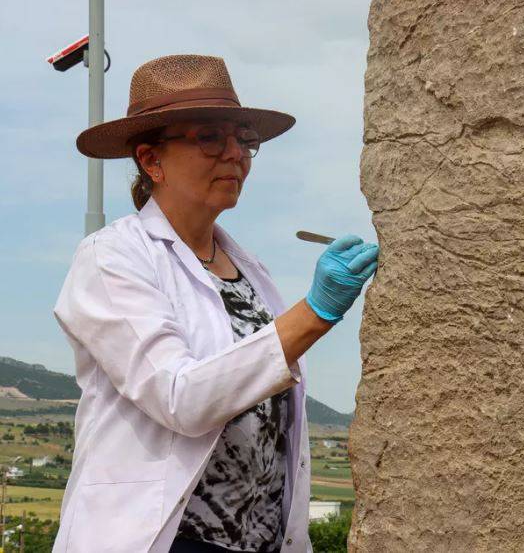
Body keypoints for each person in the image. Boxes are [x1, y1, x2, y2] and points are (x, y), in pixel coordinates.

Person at [50, 54, 378, 553]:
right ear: (150, 159)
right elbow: (180, 398)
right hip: (170, 539)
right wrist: (315, 313)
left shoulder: (249, 271)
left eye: (243, 139)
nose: (235, 155)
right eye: (209, 137)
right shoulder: (111, 258)